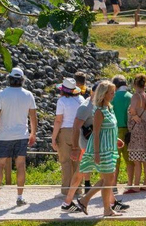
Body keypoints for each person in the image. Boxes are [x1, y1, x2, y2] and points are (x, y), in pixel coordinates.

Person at [0, 67, 37, 208]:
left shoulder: (2, 94)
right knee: (20, 165)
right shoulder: (28, 95)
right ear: (22, 80)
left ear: (9, 79)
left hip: (4, 135)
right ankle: (20, 197)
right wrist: (33, 133)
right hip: (21, 135)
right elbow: (33, 116)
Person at [76, 81, 124, 217]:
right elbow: (96, 133)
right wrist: (96, 153)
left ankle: (92, 203)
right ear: (103, 94)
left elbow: (110, 128)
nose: (113, 94)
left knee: (108, 179)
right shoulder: (98, 111)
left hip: (110, 147)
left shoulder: (110, 108)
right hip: (102, 149)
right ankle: (97, 205)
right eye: (111, 92)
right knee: (108, 179)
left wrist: (116, 139)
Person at [52, 77, 85, 196]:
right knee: (78, 161)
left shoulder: (62, 101)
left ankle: (66, 190)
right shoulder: (81, 99)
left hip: (65, 131)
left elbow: (58, 121)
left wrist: (54, 137)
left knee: (65, 161)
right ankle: (77, 189)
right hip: (79, 131)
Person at [126, 74, 146, 193]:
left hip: (136, 129)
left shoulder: (136, 96)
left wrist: (134, 116)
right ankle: (145, 184)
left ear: (135, 84)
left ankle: (136, 185)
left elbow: (133, 108)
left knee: (137, 159)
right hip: (145, 127)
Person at [111, 75, 133, 191]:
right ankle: (129, 184)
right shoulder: (132, 97)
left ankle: (113, 184)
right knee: (129, 159)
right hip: (129, 130)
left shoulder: (112, 97)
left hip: (115, 130)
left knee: (115, 159)